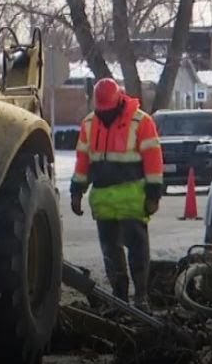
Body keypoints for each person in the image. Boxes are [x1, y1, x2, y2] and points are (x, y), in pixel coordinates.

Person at [68, 77, 164, 310]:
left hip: (132, 201)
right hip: (103, 203)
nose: (104, 115)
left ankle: (141, 296)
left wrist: (153, 194)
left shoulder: (141, 122)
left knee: (137, 250)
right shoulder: (90, 124)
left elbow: (153, 160)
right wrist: (76, 191)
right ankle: (120, 297)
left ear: (119, 101)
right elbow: (83, 161)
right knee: (111, 252)